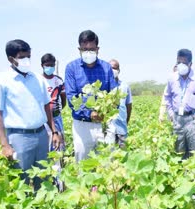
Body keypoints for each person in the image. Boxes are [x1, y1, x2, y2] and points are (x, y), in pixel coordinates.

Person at [0, 39, 61, 191]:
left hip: (41, 135)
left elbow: (47, 106)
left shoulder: (37, 79)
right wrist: (4, 145)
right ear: (11, 59)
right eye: (22, 57)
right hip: (19, 137)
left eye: (28, 56)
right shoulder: (1, 80)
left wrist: (54, 131)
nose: (26, 60)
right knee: (21, 182)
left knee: (43, 179)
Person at [65, 30, 117, 162]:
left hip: (104, 122)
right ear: (79, 49)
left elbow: (114, 94)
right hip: (82, 125)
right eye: (85, 49)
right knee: (83, 163)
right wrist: (89, 113)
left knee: (106, 163)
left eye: (92, 49)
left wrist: (105, 112)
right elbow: (71, 97)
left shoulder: (106, 67)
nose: (88, 52)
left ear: (98, 49)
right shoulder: (72, 68)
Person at [164, 49, 195, 160]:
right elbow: (167, 97)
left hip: (193, 119)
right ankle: (180, 174)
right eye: (178, 62)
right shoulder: (172, 78)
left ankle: (194, 176)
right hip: (177, 119)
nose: (181, 65)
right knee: (179, 152)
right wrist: (171, 114)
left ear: (190, 64)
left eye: (184, 63)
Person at [41, 53, 66, 191]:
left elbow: (64, 99)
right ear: (42, 66)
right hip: (42, 119)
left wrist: (57, 111)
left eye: (51, 65)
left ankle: (59, 184)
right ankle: (48, 182)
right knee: (45, 150)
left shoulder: (58, 80)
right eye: (47, 65)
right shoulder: (38, 80)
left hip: (56, 117)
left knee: (58, 149)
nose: (49, 67)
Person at [107, 59, 132, 147]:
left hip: (122, 128)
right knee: (109, 156)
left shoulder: (125, 86)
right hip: (108, 129)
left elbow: (128, 106)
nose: (113, 70)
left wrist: (126, 121)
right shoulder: (103, 86)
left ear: (119, 70)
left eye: (115, 68)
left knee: (122, 155)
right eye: (110, 68)